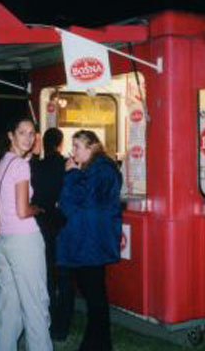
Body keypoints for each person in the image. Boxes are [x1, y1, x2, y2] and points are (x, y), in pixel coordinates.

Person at [0, 117, 52, 351]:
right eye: (22, 132)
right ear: (11, 135)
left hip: (4, 240)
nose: (28, 138)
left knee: (7, 308)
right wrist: (38, 208)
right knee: (35, 305)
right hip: (25, 240)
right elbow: (23, 211)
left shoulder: (2, 163)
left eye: (31, 133)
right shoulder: (21, 165)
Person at [58, 130, 122, 351]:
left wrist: (70, 174)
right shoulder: (95, 168)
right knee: (93, 294)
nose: (73, 151)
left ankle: (97, 344)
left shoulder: (101, 169)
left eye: (77, 146)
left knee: (94, 295)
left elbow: (73, 202)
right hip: (89, 240)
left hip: (92, 241)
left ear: (92, 146)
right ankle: (97, 343)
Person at [30, 128, 68, 340]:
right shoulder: (66, 165)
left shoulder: (36, 166)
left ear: (44, 143)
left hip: (41, 224)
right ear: (60, 144)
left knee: (46, 274)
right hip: (62, 225)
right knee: (63, 275)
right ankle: (61, 326)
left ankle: (49, 318)